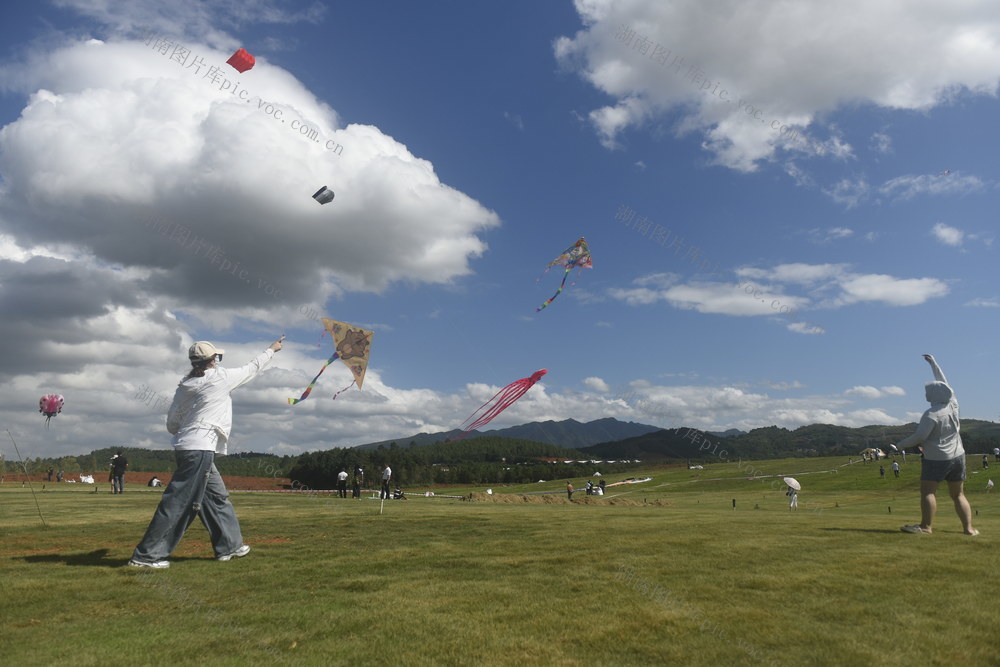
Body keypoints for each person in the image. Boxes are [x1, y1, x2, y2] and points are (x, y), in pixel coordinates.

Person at [129, 337, 284, 569]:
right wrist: (272, 349)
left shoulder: (184, 387)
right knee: (178, 503)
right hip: (199, 450)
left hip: (189, 447)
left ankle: (229, 546)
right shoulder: (220, 378)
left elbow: (172, 422)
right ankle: (146, 555)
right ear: (214, 360)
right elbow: (253, 367)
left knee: (216, 498)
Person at [894, 354, 977, 536]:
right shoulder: (953, 403)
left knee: (927, 492)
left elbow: (920, 436)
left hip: (936, 458)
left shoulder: (931, 414)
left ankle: (925, 526)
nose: (925, 393)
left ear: (934, 395)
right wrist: (933, 363)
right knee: (958, 495)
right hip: (958, 456)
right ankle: (968, 529)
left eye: (928, 391)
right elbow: (943, 382)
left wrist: (899, 446)